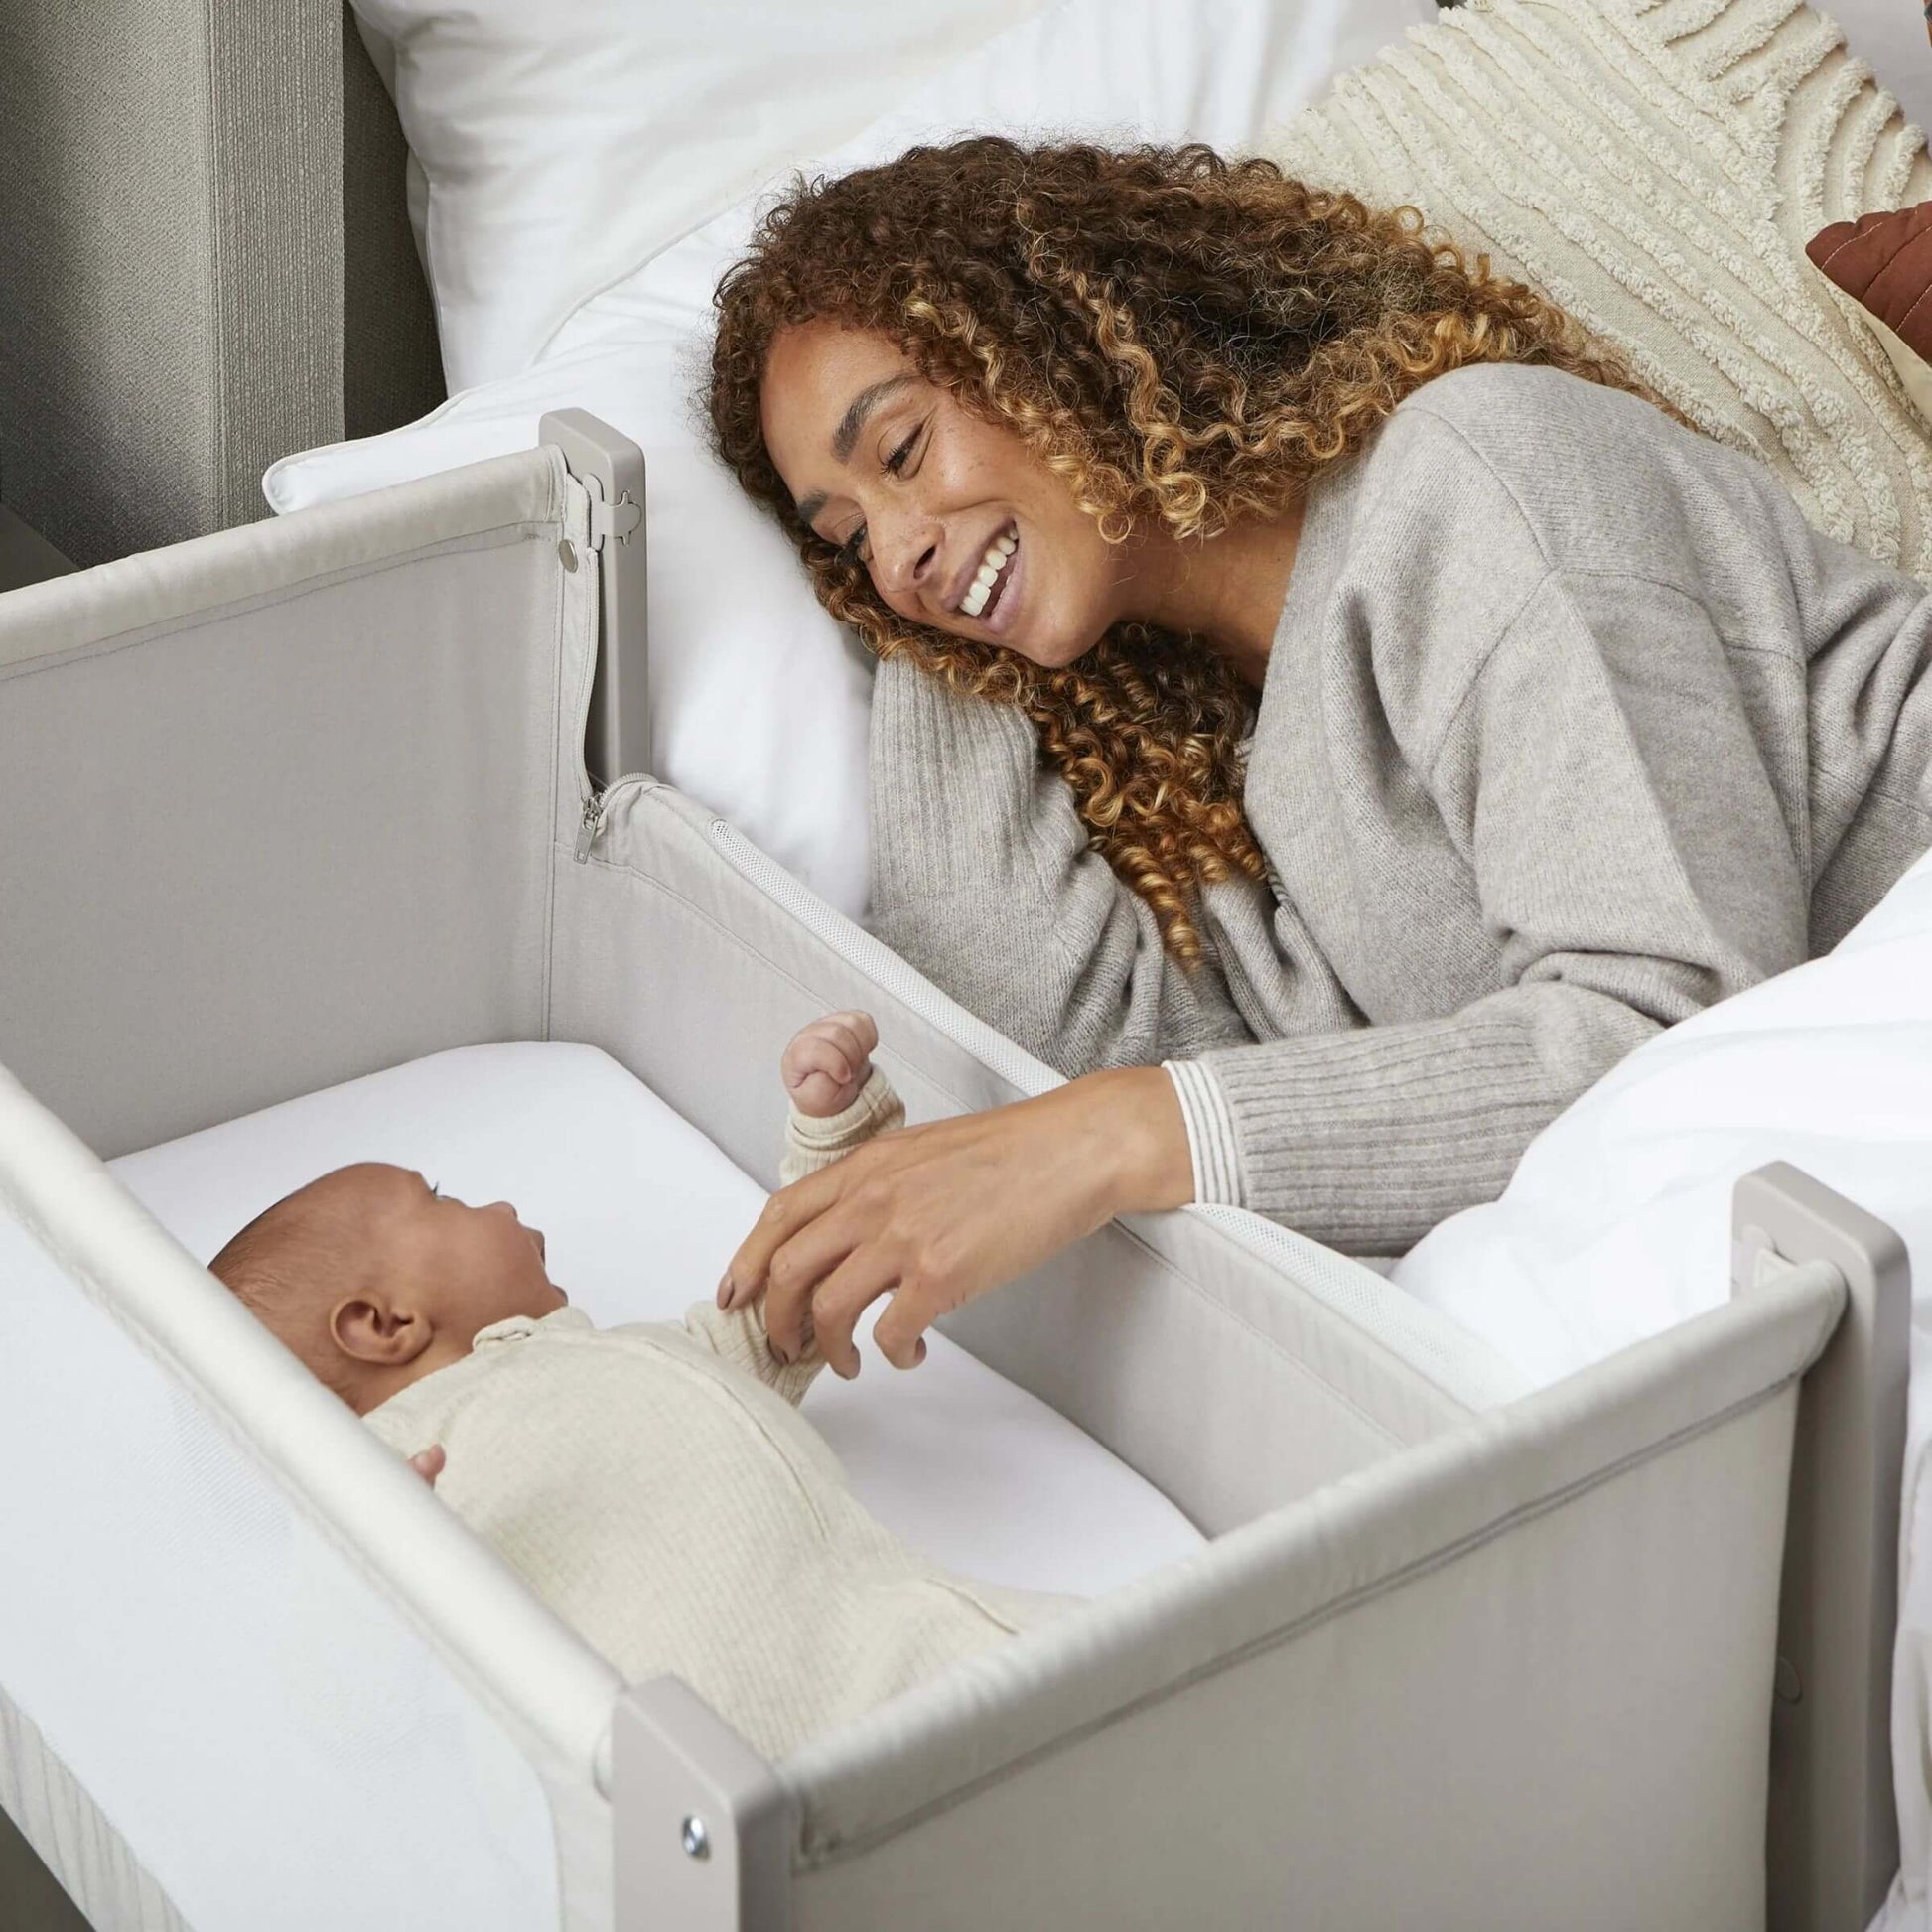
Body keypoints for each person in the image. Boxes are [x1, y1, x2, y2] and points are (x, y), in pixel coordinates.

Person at [705, 136, 1932, 1378]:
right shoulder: (1199, 756)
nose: (892, 554)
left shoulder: (1472, 476)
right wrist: (941, 598)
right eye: (845, 538)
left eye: (904, 447)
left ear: (1047, 343)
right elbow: (1098, 1055)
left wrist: (1122, 1132)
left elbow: (1669, 1030)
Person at [207, 1011, 1064, 1761]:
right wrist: (368, 1564)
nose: (499, 1207)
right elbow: (339, 1710)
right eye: (442, 1199)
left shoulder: (630, 1355)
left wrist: (831, 1139)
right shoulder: (394, 1465)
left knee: (1131, 1691)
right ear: (384, 1324)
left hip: (904, 1639)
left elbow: (782, 1315)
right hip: (713, 1749)